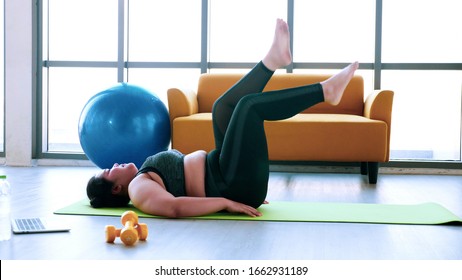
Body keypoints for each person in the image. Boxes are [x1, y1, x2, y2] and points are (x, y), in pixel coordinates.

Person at [86, 19, 359, 218]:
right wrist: (226, 202)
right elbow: (173, 207)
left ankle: (272, 61)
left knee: (223, 107)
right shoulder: (138, 190)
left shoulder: (142, 176)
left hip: (227, 171)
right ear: (116, 189)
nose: (117, 163)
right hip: (230, 184)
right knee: (248, 107)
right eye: (111, 170)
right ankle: (325, 91)